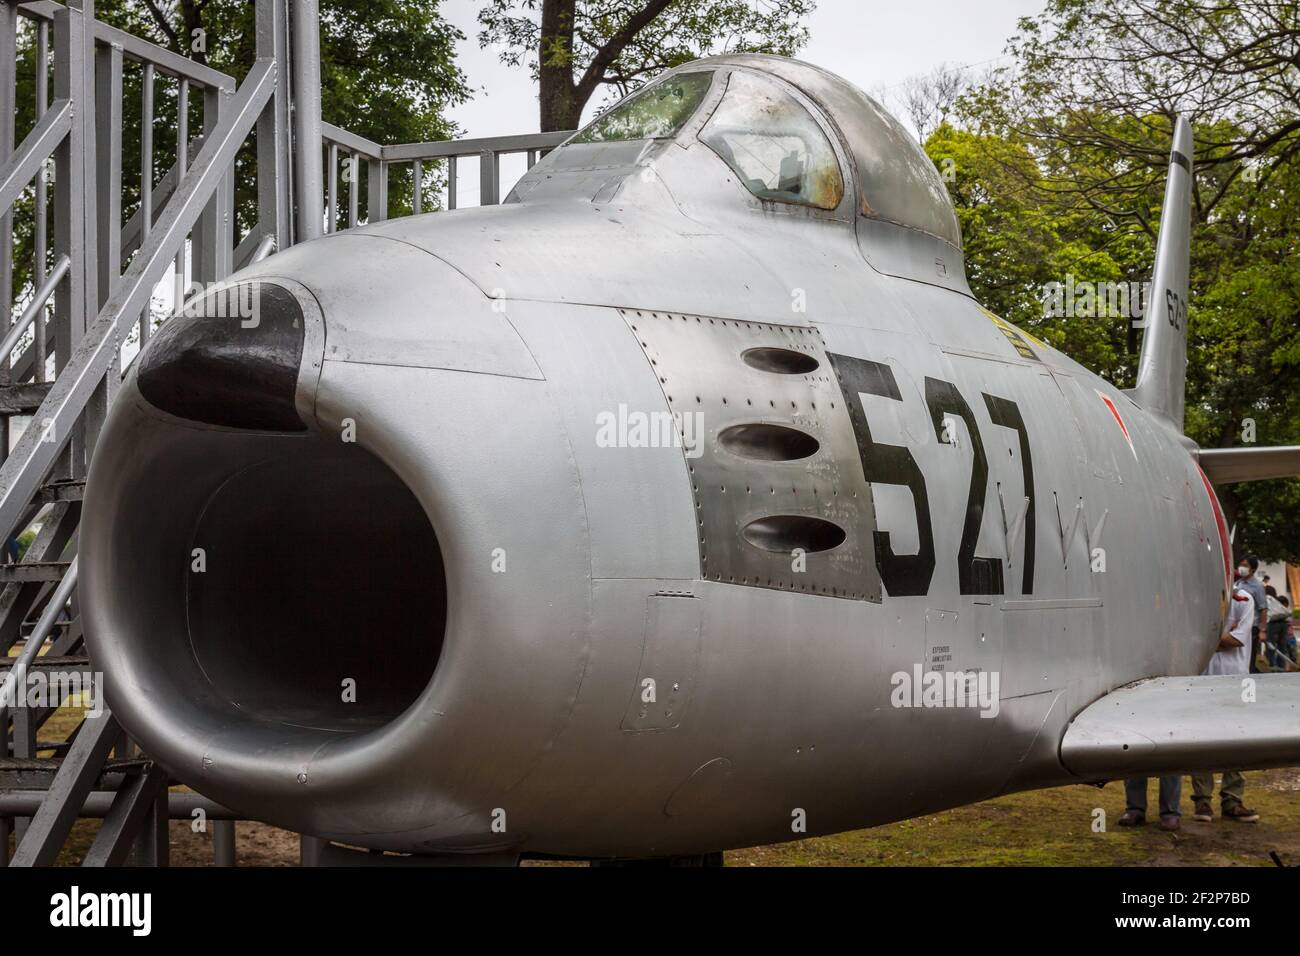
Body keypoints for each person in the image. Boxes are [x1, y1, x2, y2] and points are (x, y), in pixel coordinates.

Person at [1191, 583, 1261, 823]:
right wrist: (1221, 636)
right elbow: (1190, 637)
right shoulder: (1198, 597)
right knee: (1202, 741)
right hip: (1203, 680)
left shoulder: (1244, 600)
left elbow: (1237, 639)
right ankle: (1202, 801)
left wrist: (1209, 637)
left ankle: (1232, 800)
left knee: (1237, 740)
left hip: (1235, 682)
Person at [1235, 556, 1268, 673]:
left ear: (1253, 570)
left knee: (1249, 656)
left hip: (1251, 627)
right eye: (1241, 564)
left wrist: (1262, 630)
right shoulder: (1238, 583)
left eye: (1245, 566)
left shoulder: (1257, 586)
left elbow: (1263, 609)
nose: (1241, 568)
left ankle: (1250, 679)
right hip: (1238, 626)